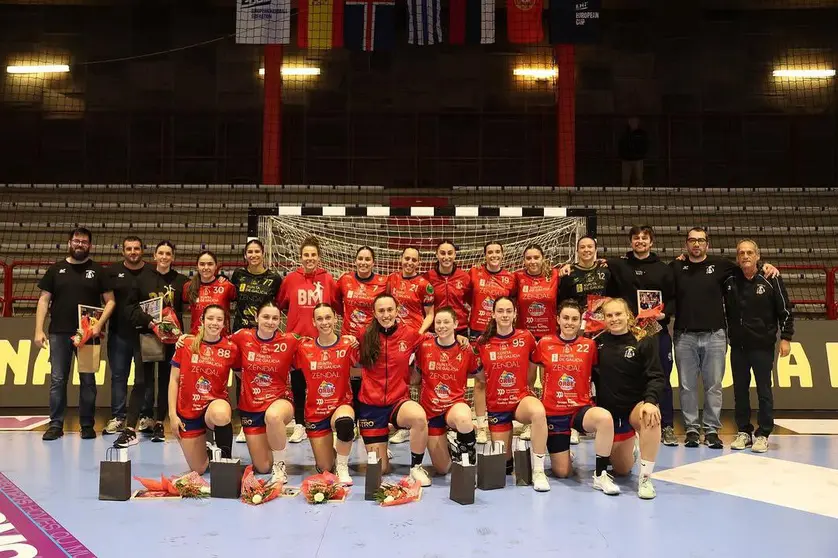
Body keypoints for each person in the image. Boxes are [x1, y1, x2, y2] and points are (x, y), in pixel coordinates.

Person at [670, 228, 779, 449]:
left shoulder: (722, 266)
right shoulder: (675, 267)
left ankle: (711, 431)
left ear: (707, 245)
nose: (696, 244)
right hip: (684, 336)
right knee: (687, 386)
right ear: (686, 244)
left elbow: (748, 264)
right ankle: (691, 430)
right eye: (692, 240)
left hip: (715, 336)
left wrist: (767, 265)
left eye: (701, 240)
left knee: (714, 386)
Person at [35, 227, 115, 441]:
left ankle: (87, 424)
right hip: (59, 332)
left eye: (84, 242)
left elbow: (111, 301)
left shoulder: (98, 271)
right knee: (58, 379)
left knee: (88, 379)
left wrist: (99, 325)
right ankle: (55, 424)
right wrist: (38, 329)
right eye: (77, 241)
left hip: (89, 334)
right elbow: (43, 300)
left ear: (90, 245)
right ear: (69, 242)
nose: (80, 244)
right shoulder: (56, 270)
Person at [534, 301, 619, 495]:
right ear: (558, 319)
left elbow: (599, 374)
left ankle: (601, 474)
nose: (569, 322)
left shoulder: (589, 346)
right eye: (565, 318)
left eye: (574, 319)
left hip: (580, 409)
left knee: (605, 418)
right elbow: (534, 371)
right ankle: (563, 454)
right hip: (554, 413)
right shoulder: (545, 343)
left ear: (580, 321)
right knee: (563, 472)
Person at [114, 240, 190, 448]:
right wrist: (150, 322)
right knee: (141, 381)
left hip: (172, 340)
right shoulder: (142, 278)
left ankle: (159, 424)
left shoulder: (181, 281)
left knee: (167, 381)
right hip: (147, 336)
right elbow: (129, 308)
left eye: (168, 253)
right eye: (161, 253)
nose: (164, 257)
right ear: (155, 256)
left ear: (173, 257)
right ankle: (130, 429)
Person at [605, 225, 677, 446]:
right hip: (627, 334)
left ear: (651, 242)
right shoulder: (619, 265)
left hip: (656, 331)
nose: (640, 241)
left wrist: (664, 314)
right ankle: (626, 424)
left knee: (661, 377)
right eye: (636, 238)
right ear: (630, 242)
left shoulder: (664, 269)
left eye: (644, 238)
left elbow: (674, 299)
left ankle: (666, 426)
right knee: (625, 377)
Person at [724, 240, 794, 454]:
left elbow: (785, 309)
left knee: (764, 391)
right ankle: (744, 431)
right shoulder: (730, 279)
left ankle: (763, 433)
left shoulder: (771, 277)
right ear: (737, 257)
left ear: (757, 256)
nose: (745, 256)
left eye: (749, 253)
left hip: (762, 346)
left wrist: (786, 337)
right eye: (741, 253)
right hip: (738, 346)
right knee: (740, 391)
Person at [475, 297, 550, 492]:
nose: (505, 315)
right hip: (497, 407)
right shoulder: (483, 342)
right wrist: (482, 421)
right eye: (500, 311)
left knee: (538, 412)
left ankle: (539, 471)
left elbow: (535, 367)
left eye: (509, 311)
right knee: (504, 468)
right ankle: (511, 459)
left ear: (515, 314)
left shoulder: (526, 337)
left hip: (519, 401)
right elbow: (480, 381)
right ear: (493, 314)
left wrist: (527, 389)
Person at [357, 293, 431, 486]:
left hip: (398, 401)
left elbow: (433, 345)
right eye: (381, 310)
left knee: (419, 417)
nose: (386, 314)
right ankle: (382, 442)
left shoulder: (410, 334)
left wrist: (461, 340)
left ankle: (416, 467)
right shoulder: (364, 336)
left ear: (397, 311)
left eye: (390, 309)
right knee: (381, 469)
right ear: (374, 313)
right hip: (370, 406)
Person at [595, 298, 663, 499]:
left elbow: (656, 376)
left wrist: (650, 401)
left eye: (618, 314)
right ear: (604, 319)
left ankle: (645, 479)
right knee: (622, 470)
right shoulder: (598, 343)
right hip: (610, 416)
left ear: (628, 315)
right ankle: (629, 447)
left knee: (651, 417)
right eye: (609, 315)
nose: (614, 319)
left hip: (634, 407)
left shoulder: (643, 340)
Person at [276, 236, 339, 444]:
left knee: (323, 383)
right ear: (300, 257)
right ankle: (301, 424)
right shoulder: (291, 279)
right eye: (306, 255)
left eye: (313, 255)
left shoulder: (328, 279)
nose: (309, 258)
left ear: (319, 257)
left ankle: (327, 422)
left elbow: (337, 306)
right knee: (298, 384)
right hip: (297, 343)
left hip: (321, 343)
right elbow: (281, 304)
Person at [230, 301, 300, 484]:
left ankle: (280, 466)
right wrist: (188, 338)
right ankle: (273, 449)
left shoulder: (290, 341)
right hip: (251, 406)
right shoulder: (242, 337)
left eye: (275, 318)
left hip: (280, 400)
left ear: (280, 321)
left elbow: (319, 344)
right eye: (266, 317)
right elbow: (215, 343)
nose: (270, 321)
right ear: (256, 318)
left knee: (274, 417)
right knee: (262, 467)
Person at [169, 305, 238, 473]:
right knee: (199, 469)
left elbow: (244, 374)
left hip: (213, 406)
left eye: (219, 320)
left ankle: (225, 460)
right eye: (210, 318)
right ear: (202, 321)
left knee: (221, 415)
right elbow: (174, 379)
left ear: (224, 324)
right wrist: (172, 415)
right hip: (188, 410)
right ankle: (206, 447)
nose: (214, 323)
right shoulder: (186, 343)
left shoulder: (231, 348)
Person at [295, 304, 359, 483]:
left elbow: (365, 368)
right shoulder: (304, 348)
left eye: (328, 317)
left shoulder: (348, 345)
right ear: (314, 322)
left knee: (345, 423)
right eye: (320, 319)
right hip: (316, 412)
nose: (325, 322)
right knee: (324, 468)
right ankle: (332, 456)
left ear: (336, 319)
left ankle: (342, 467)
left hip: (341, 405)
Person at [414, 307, 479, 474]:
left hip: (454, 406)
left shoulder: (465, 349)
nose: (442, 326)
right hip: (431, 411)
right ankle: (450, 442)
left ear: (456, 324)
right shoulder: (424, 346)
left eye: (446, 322)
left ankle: (468, 458)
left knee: (464, 419)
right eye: (438, 322)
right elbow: (415, 378)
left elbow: (481, 376)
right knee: (443, 469)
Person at [230, 239, 282, 443]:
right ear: (245, 255)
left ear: (263, 254)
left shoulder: (274, 278)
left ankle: (266, 419)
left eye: (256, 251)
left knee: (262, 376)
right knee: (240, 377)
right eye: (249, 252)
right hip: (241, 334)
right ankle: (245, 423)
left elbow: (278, 305)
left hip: (265, 335)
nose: (253, 255)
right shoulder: (238, 275)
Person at [467, 241, 517, 444]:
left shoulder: (511, 278)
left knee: (502, 377)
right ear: (485, 255)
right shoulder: (473, 273)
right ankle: (480, 425)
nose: (494, 255)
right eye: (490, 252)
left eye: (498, 251)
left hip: (503, 332)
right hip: (480, 332)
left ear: (503, 255)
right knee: (480, 381)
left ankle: (503, 418)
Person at [334, 246, 388, 424]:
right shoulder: (345, 279)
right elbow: (336, 303)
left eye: (367, 259)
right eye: (360, 259)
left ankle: (372, 419)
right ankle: (354, 420)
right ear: (355, 260)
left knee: (372, 379)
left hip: (372, 340)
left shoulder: (382, 282)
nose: (363, 262)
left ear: (373, 262)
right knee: (352, 380)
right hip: (349, 339)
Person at [513, 244, 559, 441]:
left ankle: (554, 421)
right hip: (527, 337)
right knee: (528, 382)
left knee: (550, 382)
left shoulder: (556, 275)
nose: (532, 261)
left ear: (543, 258)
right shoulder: (518, 278)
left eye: (536, 257)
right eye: (528, 258)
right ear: (524, 260)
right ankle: (530, 423)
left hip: (550, 338)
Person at [183, 250, 236, 336]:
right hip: (197, 338)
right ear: (197, 266)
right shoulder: (188, 287)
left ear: (216, 266)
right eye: (202, 264)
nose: (206, 267)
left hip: (221, 338)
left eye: (210, 264)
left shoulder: (227, 286)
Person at [424, 241, 472, 337]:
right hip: (437, 328)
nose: (446, 257)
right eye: (442, 253)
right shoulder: (427, 277)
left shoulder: (465, 277)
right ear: (437, 255)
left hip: (459, 328)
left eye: (450, 253)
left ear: (455, 255)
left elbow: (470, 301)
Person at [388, 246, 435, 334]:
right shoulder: (392, 278)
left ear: (418, 263)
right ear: (401, 259)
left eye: (414, 260)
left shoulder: (424, 285)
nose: (410, 262)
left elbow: (430, 315)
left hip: (414, 331)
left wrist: (420, 332)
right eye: (407, 258)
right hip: (393, 331)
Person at [619, 117, 648, 187]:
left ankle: (640, 194)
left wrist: (640, 154)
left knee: (639, 179)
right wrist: (623, 155)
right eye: (631, 121)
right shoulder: (625, 133)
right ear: (629, 122)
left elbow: (645, 145)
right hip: (626, 160)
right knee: (625, 180)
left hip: (638, 160)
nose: (633, 123)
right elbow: (620, 145)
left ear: (638, 123)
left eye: (635, 122)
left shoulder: (642, 134)